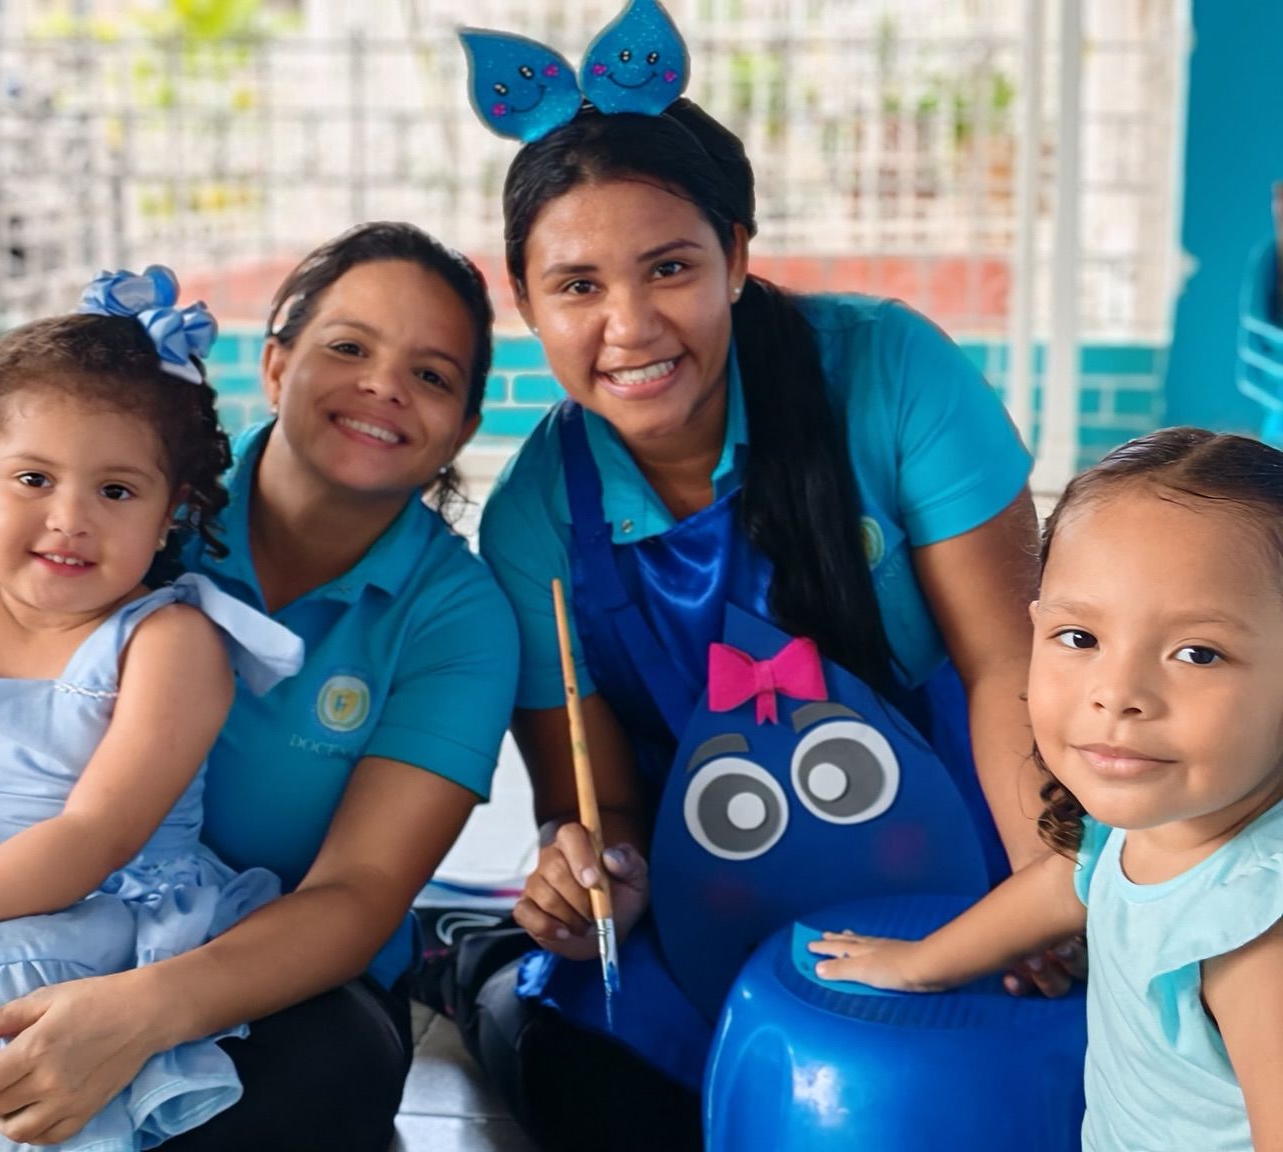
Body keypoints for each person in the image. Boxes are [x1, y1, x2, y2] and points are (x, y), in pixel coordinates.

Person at [455, 8, 1074, 1148]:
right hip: (704, 885)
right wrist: (601, 871)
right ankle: (478, 962)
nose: (630, 325)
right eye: (578, 286)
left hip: (958, 836)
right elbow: (598, 807)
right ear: (525, 302)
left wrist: (1048, 889)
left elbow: (1006, 669)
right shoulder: (536, 518)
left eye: (671, 267)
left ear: (737, 256)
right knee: (606, 1103)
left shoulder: (891, 373)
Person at [0, 223, 519, 1150]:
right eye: (348, 347)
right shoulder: (117, 499)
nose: (383, 386)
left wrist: (140, 1012)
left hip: (265, 970)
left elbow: (360, 891)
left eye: (433, 375)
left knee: (323, 1079)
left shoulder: (456, 618)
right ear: (276, 363)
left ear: (462, 428)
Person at [0, 266, 305, 1151]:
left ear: (170, 516)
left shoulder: (170, 643)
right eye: (33, 479)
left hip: (82, 904)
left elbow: (93, 834)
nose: (70, 518)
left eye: (117, 491)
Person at [811, 427, 1283, 1152]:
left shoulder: (1253, 936)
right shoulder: (1152, 817)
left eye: (1198, 653)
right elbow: (1066, 882)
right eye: (1079, 639)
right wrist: (920, 964)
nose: (1117, 694)